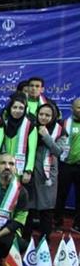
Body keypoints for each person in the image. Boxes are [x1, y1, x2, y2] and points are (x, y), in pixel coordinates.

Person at [23, 103, 66, 240]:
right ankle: (25, 241)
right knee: (28, 209)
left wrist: (47, 136)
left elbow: (58, 151)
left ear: (53, 116)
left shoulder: (60, 130)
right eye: (41, 114)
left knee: (46, 210)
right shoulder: (29, 127)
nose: (44, 117)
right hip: (30, 172)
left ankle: (44, 242)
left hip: (47, 175)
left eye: (48, 115)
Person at [1, 94, 37, 183]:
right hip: (4, 169)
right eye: (15, 107)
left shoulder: (30, 126)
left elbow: (32, 151)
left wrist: (28, 170)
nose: (17, 111)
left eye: (21, 108)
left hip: (21, 172)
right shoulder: (4, 124)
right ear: (10, 108)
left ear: (25, 110)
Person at [56, 97, 80, 230]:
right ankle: (57, 222)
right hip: (66, 165)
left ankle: (78, 224)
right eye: (79, 107)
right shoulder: (64, 124)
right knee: (61, 194)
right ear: (72, 108)